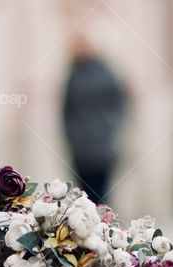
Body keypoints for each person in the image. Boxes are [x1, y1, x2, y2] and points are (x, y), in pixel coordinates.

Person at [61, 35, 127, 206]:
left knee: (103, 196)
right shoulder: (73, 76)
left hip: (102, 147)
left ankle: (105, 231)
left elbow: (119, 105)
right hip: (80, 149)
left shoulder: (106, 74)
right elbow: (66, 111)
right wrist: (72, 135)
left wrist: (108, 128)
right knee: (84, 198)